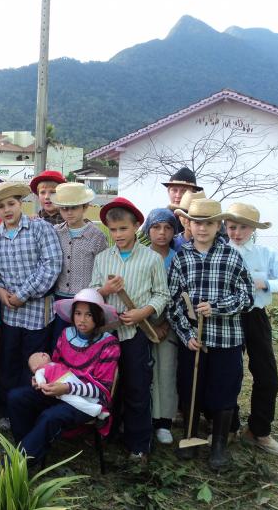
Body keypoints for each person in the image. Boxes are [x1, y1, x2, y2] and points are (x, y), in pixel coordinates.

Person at [168, 199, 254, 471]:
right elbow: (173, 303)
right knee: (190, 388)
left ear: (218, 225)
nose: (202, 228)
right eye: (196, 222)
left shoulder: (231, 256)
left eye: (209, 223)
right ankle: (191, 436)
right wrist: (185, 334)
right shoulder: (182, 257)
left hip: (226, 339)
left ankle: (218, 445)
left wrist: (216, 308)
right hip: (194, 341)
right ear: (189, 224)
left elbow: (247, 296)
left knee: (224, 389)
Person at [91, 197, 170, 462]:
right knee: (107, 385)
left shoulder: (151, 259)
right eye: (113, 230)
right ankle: (108, 433)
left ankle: (139, 443)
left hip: (135, 335)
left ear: (136, 226)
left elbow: (161, 295)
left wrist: (143, 312)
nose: (118, 235)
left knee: (137, 386)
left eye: (123, 229)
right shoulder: (103, 259)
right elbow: (93, 294)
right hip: (108, 335)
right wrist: (105, 290)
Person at [0, 182, 62, 430]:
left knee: (34, 362)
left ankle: (31, 410)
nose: (7, 210)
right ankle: (8, 410)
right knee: (9, 363)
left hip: (37, 313)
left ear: (21, 203)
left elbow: (51, 265)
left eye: (11, 204)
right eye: (1, 207)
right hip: (10, 314)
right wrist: (1, 290)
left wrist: (24, 294)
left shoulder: (40, 228)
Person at [8, 289, 120, 466]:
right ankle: (28, 451)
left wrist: (68, 388)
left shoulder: (109, 344)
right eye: (78, 313)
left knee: (50, 417)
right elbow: (56, 367)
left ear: (98, 317)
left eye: (88, 315)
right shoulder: (66, 335)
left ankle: (15, 465)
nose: (82, 319)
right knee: (16, 398)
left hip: (85, 402)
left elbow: (101, 389)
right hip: (59, 392)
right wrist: (41, 379)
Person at [225, 202, 278, 457]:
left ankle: (259, 431)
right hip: (227, 318)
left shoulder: (266, 254)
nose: (236, 232)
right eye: (231, 226)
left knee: (267, 376)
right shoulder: (219, 252)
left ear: (253, 229)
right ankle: (228, 427)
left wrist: (264, 282)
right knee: (228, 375)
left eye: (243, 227)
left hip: (256, 317)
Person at [50, 182, 108, 348]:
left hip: (86, 300)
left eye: (74, 208)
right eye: (64, 208)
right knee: (60, 342)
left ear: (85, 207)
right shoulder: (55, 232)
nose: (69, 213)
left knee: (84, 344)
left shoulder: (96, 236)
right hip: (60, 298)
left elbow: (102, 269)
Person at [142, 208, 179, 445]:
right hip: (142, 321)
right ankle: (142, 417)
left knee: (166, 369)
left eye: (167, 228)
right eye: (156, 227)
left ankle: (164, 421)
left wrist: (166, 324)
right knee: (143, 371)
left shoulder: (179, 257)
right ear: (148, 230)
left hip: (171, 323)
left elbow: (182, 295)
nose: (162, 233)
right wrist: (147, 323)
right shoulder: (141, 256)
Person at [28, 352, 105, 417]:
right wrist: (42, 384)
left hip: (71, 378)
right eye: (38, 356)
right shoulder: (40, 371)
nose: (42, 353)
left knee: (83, 390)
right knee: (75, 400)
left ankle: (97, 403)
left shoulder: (54, 363)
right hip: (59, 388)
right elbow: (39, 379)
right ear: (35, 367)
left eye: (42, 353)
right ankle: (93, 410)